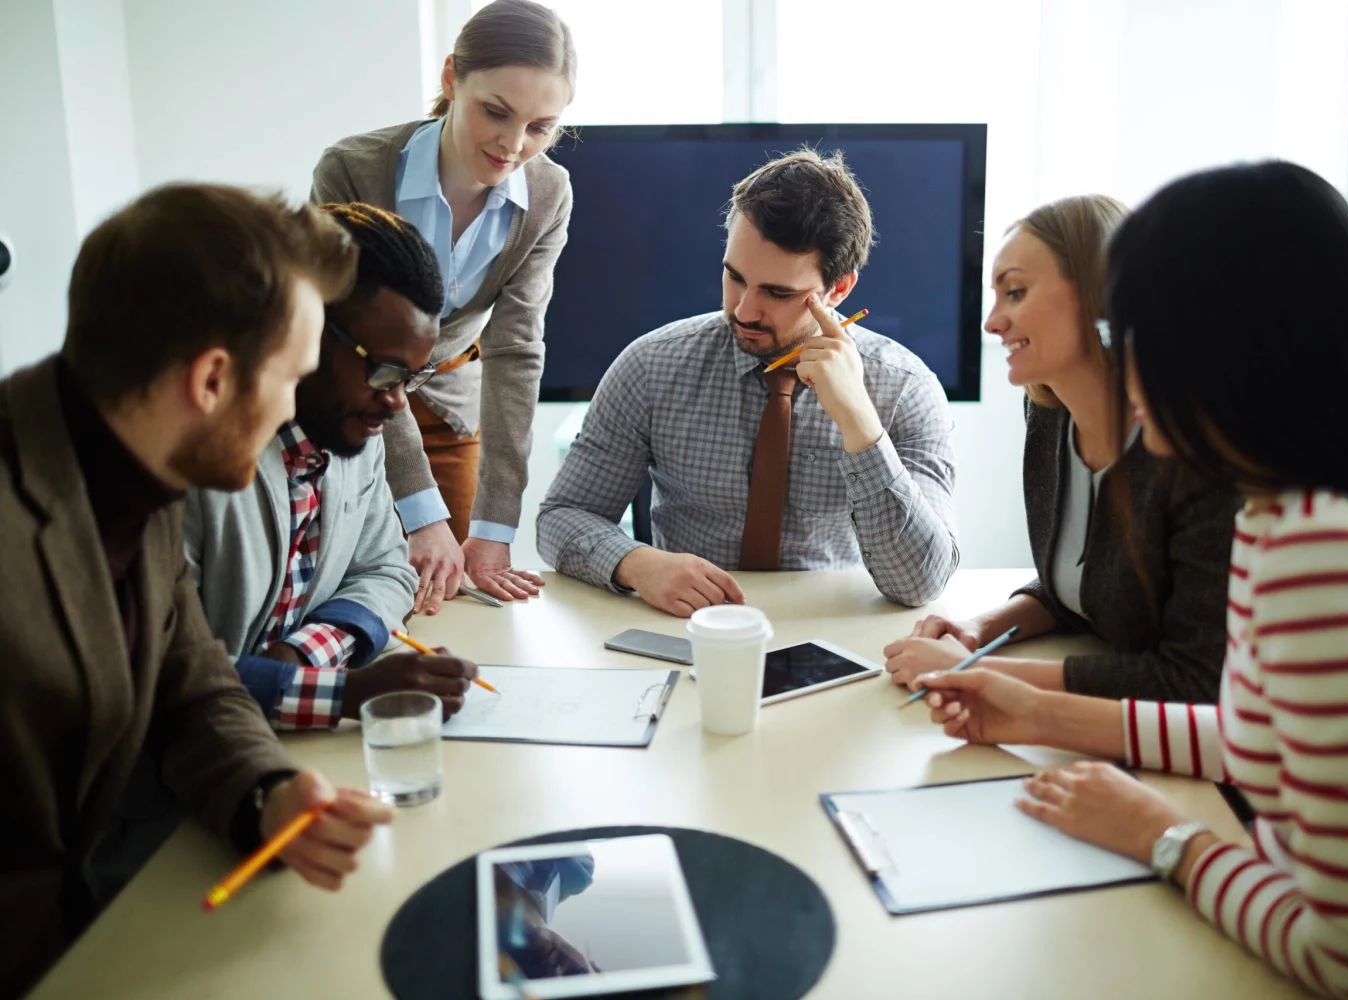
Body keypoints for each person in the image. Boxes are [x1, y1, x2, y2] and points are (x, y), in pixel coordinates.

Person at [916, 162, 1348, 996]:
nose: (1126, 358)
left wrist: (1165, 836)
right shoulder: (1284, 512)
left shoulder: (1330, 557)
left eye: (1141, 330)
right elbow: (1263, 732)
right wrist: (1041, 712)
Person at [0, 184, 395, 998]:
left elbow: (191, 676)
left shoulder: (126, 462)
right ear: (213, 379)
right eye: (291, 375)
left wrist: (270, 793)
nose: (295, 406)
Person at [536, 148, 959, 616]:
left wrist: (858, 419)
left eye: (778, 293)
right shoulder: (651, 365)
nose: (744, 311)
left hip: (837, 633)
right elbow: (561, 517)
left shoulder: (906, 389)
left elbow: (921, 582)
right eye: (734, 277)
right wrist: (638, 563)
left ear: (838, 290)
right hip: (690, 629)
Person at [883, 196, 1239, 703]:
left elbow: (1195, 680)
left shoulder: (1193, 450)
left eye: (1015, 292)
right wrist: (977, 632)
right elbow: (1078, 590)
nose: (992, 322)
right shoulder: (1049, 417)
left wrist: (986, 676)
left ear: (1100, 292)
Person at [312, 0, 576, 615]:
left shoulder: (548, 194)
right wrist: (416, 507)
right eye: (496, 112)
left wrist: (496, 527)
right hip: (347, 401)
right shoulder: (352, 171)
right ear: (451, 78)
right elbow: (354, 340)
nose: (513, 145)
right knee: (357, 588)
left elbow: (515, 350)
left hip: (454, 404)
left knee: (451, 603)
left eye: (540, 127)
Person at [186, 203, 478, 729]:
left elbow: (387, 569)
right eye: (383, 370)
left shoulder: (353, 437)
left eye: (409, 378)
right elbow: (160, 674)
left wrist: (301, 660)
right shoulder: (192, 463)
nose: (396, 403)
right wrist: (339, 693)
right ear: (302, 331)